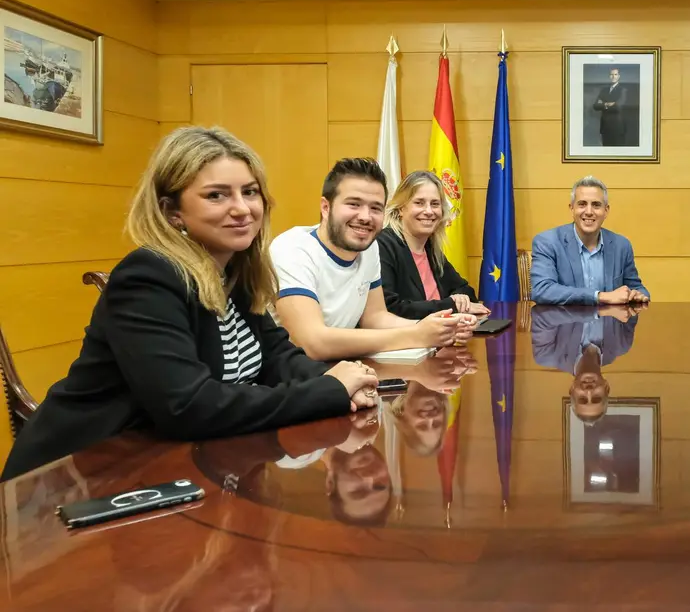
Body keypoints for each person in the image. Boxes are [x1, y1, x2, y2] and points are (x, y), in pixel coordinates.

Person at [0, 126, 381, 482]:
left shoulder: (236, 271)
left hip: (172, 468)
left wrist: (345, 382)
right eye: (217, 195)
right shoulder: (148, 277)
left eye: (250, 192)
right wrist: (327, 391)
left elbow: (278, 356)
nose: (242, 208)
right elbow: (189, 406)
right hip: (80, 478)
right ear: (172, 212)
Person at [269, 158, 473, 361]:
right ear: (326, 207)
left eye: (375, 208)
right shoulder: (292, 248)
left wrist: (442, 327)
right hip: (285, 378)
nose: (365, 216)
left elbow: (376, 318)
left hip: (339, 370)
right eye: (353, 204)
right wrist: (416, 334)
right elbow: (312, 343)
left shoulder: (369, 248)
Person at [377, 170, 490, 320]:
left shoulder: (429, 248)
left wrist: (459, 299)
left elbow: (466, 290)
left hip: (440, 338)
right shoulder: (383, 245)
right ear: (400, 209)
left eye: (435, 204)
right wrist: (451, 305)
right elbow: (391, 308)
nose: (429, 211)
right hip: (406, 341)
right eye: (419, 203)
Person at [530, 176, 649, 306]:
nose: (589, 212)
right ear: (572, 209)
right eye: (582, 204)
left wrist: (637, 295)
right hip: (563, 324)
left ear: (606, 211)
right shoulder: (547, 242)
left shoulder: (621, 245)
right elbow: (542, 290)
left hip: (610, 324)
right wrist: (600, 296)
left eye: (596, 205)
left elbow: (636, 287)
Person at [531, 303, 641, 425]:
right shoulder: (622, 343)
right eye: (596, 398)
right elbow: (633, 299)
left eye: (582, 399)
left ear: (572, 389)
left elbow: (542, 315)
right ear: (606, 387)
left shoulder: (547, 354)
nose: (589, 391)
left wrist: (597, 310)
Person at [593, 67, 628, 147]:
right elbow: (595, 106)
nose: (613, 76)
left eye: (615, 74)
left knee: (617, 154)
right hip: (605, 127)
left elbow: (618, 106)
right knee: (606, 153)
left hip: (617, 127)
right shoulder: (604, 90)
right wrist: (607, 104)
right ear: (609, 76)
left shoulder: (623, 90)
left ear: (619, 76)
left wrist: (603, 104)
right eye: (611, 74)